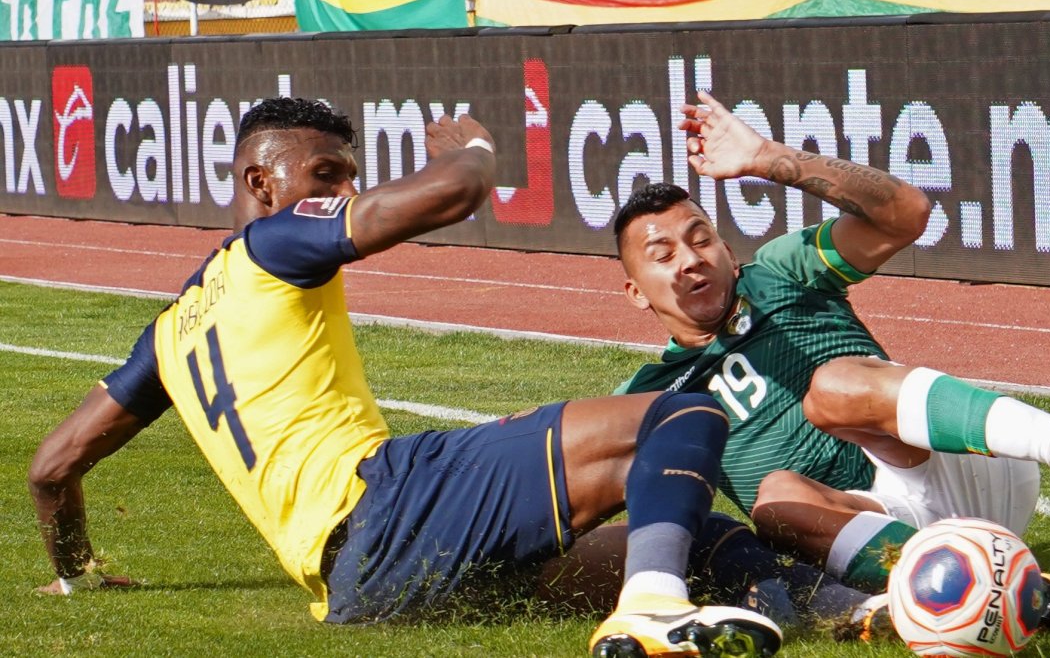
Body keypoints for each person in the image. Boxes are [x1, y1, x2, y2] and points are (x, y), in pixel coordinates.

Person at [27, 97, 787, 658]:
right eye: (325, 175)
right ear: (261, 182)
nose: (341, 193)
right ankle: (653, 609)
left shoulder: (170, 334)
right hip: (387, 505)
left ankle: (843, 608)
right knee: (678, 415)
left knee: (694, 533)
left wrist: (77, 573)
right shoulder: (271, 242)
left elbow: (53, 468)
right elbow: (454, 192)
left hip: (364, 588)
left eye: (348, 178)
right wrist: (475, 146)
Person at [613, 91, 1050, 635]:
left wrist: (767, 158)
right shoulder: (651, 397)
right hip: (874, 528)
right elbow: (592, 494)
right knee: (775, 501)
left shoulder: (780, 272)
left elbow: (906, 214)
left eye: (701, 240)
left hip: (951, 463)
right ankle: (989, 586)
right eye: (664, 255)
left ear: (729, 252)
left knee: (830, 388)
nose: (690, 260)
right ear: (636, 293)